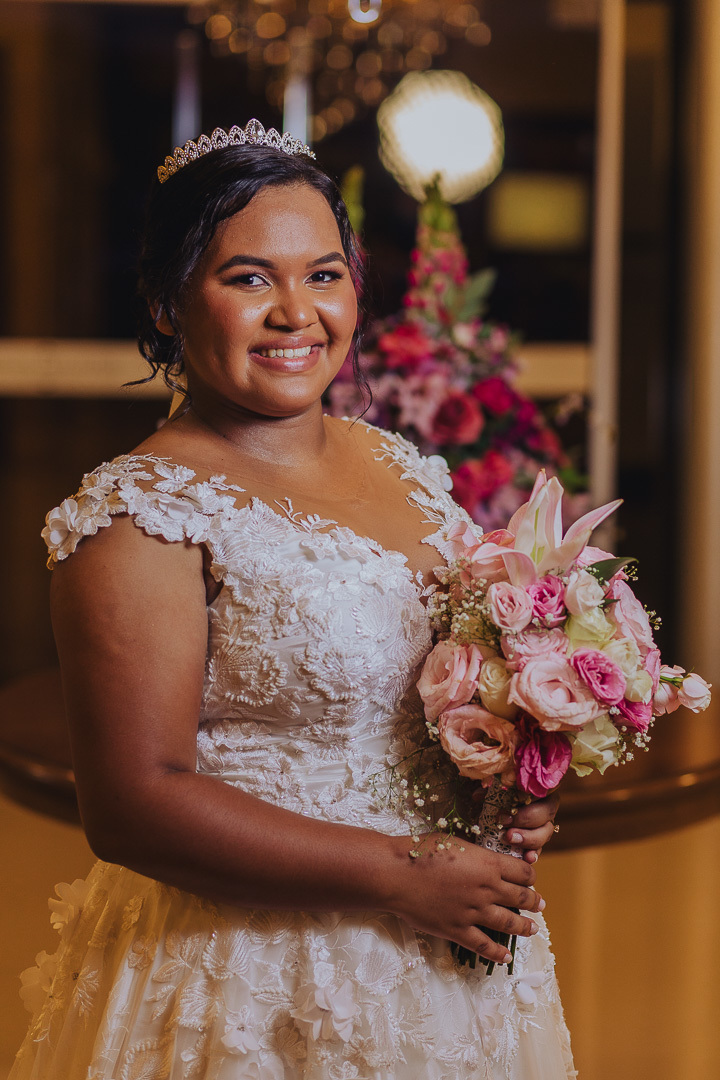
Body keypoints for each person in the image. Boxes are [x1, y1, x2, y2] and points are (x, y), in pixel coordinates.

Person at [10, 122, 575, 1080]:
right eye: (247, 278)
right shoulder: (140, 516)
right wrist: (401, 876)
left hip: (452, 966)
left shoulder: (402, 467)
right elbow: (134, 804)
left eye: (322, 274)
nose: (295, 314)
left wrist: (511, 781)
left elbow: (443, 693)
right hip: (255, 978)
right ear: (165, 303)